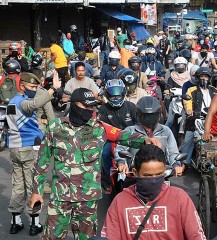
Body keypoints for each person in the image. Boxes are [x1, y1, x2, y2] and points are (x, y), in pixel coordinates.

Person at [29, 88, 160, 239]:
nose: (90, 110)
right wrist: (36, 191)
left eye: (92, 106)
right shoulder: (55, 128)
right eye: (86, 106)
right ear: (74, 104)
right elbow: (41, 162)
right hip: (60, 197)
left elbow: (122, 135)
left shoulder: (100, 128)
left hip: (88, 200)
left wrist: (145, 140)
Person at [102, 144, 206, 240]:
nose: (154, 180)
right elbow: (110, 236)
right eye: (147, 176)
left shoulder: (180, 198)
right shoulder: (120, 202)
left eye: (159, 174)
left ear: (164, 170)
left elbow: (196, 235)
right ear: (135, 172)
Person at [7, 72, 61, 236]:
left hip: (15, 149)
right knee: (33, 185)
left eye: (36, 87)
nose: (34, 89)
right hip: (28, 148)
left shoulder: (11, 102)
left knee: (17, 186)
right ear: (22, 85)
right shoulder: (22, 102)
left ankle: (15, 222)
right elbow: (34, 105)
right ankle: (34, 223)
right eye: (31, 87)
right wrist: (51, 90)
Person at [114, 96, 184, 176]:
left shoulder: (166, 131)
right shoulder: (130, 131)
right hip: (135, 174)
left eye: (152, 115)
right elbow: (120, 149)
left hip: (159, 173)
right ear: (139, 115)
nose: (149, 119)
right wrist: (121, 162)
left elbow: (173, 153)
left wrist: (176, 165)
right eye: (146, 116)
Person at [98, 79, 137, 192]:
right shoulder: (104, 109)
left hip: (130, 138)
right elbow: (102, 127)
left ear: (123, 94)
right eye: (113, 96)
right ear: (107, 95)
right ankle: (107, 181)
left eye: (118, 96)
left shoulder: (131, 106)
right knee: (104, 154)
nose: (116, 98)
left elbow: (138, 124)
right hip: (111, 139)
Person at [182, 67, 217, 166]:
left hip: (211, 119)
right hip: (195, 119)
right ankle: (184, 163)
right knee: (188, 141)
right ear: (197, 78)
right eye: (201, 76)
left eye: (206, 76)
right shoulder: (191, 90)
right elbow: (187, 101)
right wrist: (189, 110)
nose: (204, 79)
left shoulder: (214, 90)